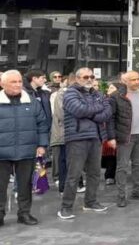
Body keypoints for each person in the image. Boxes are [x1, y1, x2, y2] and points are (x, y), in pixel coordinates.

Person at [58, 68, 113, 220]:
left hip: (96, 138)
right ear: (77, 78)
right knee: (74, 175)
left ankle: (91, 202)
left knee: (95, 173)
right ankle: (66, 207)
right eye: (85, 77)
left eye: (92, 76)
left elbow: (108, 111)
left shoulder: (97, 93)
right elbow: (79, 110)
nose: (89, 79)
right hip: (77, 138)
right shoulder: (70, 93)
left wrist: (92, 113)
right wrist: (97, 109)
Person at [0, 70, 49, 226]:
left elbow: (42, 124)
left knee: (25, 185)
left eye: (19, 81)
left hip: (27, 151)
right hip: (2, 153)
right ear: (2, 84)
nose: (17, 85)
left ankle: (24, 213)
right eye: (13, 82)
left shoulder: (32, 102)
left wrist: (42, 145)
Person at [107, 70, 139, 207]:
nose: (137, 82)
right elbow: (110, 118)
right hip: (125, 136)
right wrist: (111, 137)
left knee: (138, 165)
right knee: (123, 166)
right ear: (125, 81)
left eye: (138, 79)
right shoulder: (116, 96)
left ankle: (136, 191)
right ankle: (121, 195)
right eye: (133, 80)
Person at [50, 73, 75, 193]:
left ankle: (69, 184)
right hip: (64, 132)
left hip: (71, 132)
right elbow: (61, 114)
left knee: (69, 159)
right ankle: (63, 185)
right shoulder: (61, 94)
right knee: (63, 159)